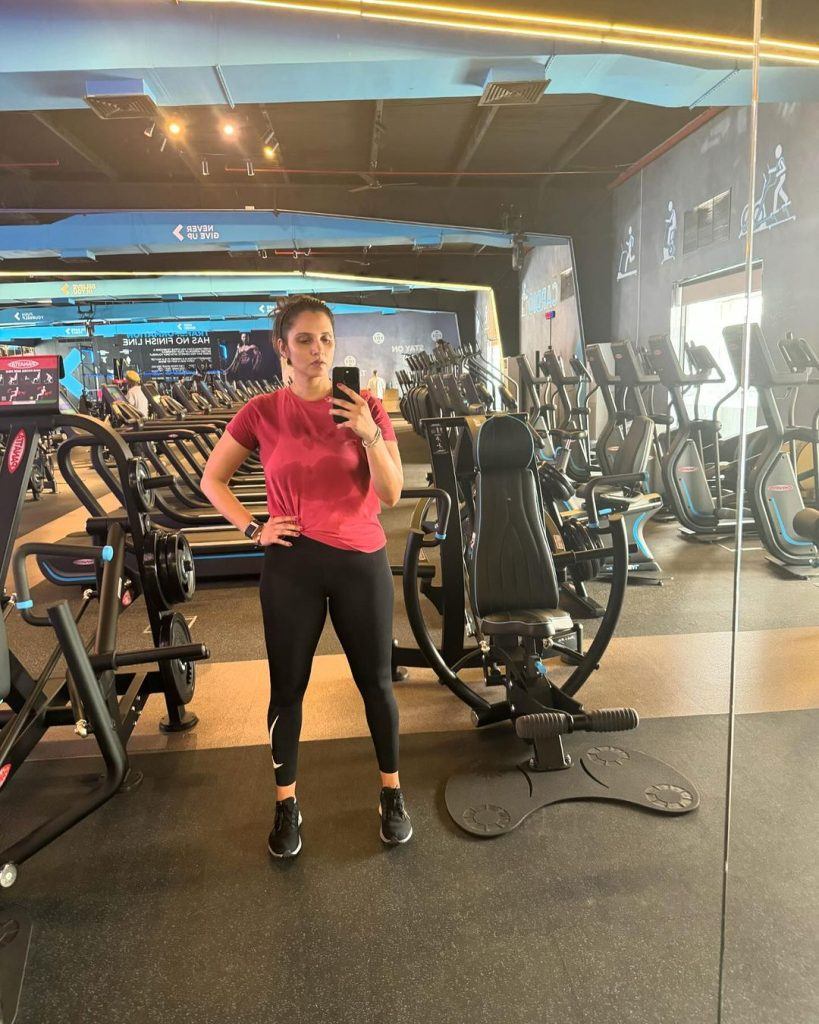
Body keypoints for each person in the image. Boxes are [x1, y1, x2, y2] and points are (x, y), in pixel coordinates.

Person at [201, 295, 409, 859]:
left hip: (361, 561)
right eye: (304, 340)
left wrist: (367, 432)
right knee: (287, 690)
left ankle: (391, 794)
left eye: (326, 339)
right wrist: (253, 528)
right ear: (282, 347)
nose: (318, 350)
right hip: (291, 563)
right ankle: (285, 803)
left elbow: (391, 494)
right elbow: (212, 480)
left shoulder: (367, 406)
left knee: (377, 685)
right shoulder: (262, 411)